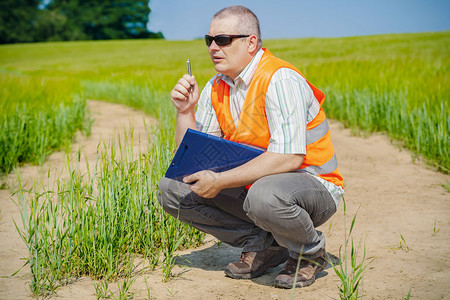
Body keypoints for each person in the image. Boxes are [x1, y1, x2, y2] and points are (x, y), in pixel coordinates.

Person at [157, 5, 344, 288]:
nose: (213, 48)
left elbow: (288, 158)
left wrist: (220, 180)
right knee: (174, 189)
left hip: (314, 185)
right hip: (257, 184)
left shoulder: (279, 79)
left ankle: (310, 253)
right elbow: (191, 161)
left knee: (264, 195)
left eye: (223, 40)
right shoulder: (215, 86)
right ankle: (264, 245)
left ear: (251, 42)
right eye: (209, 40)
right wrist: (185, 111)